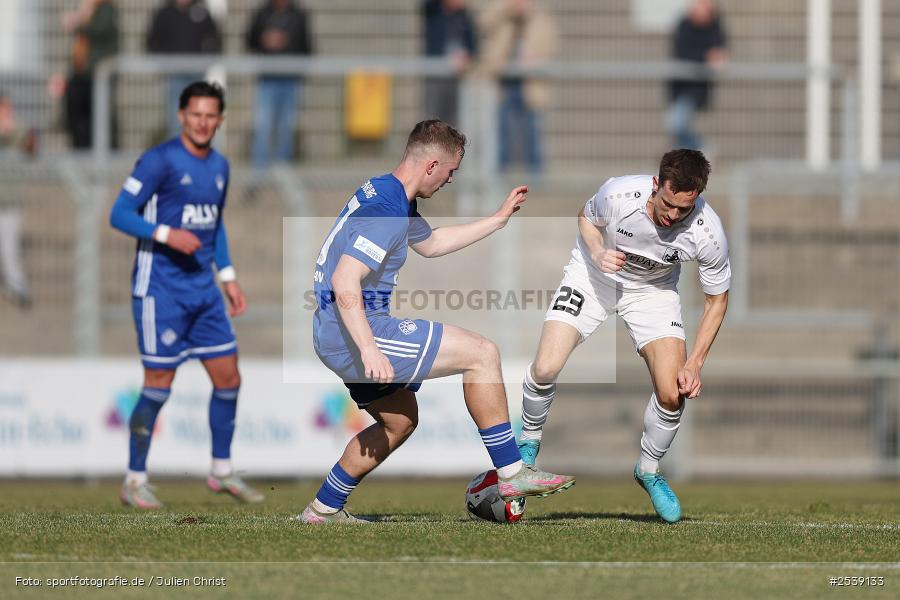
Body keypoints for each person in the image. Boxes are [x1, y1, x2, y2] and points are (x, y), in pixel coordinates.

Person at [298, 119, 575, 524]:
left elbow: (431, 244)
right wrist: (369, 348)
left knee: (399, 421)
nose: (450, 179)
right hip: (355, 330)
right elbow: (344, 280)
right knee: (481, 354)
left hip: (334, 330)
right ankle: (512, 472)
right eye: (450, 171)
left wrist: (496, 220)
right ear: (431, 165)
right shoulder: (388, 208)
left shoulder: (388, 192)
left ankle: (322, 510)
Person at [517, 149, 730, 523]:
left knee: (672, 392)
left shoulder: (708, 231)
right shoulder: (618, 194)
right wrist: (598, 251)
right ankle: (527, 449)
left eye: (683, 209)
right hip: (593, 277)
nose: (673, 216)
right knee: (546, 367)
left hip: (653, 293)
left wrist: (695, 363)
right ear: (656, 185)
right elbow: (586, 218)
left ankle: (648, 469)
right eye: (668, 204)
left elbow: (717, 300)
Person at [109, 81, 263, 509]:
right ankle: (134, 479)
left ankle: (221, 471)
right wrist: (166, 234)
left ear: (221, 120)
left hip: (204, 293)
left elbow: (214, 225)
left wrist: (227, 277)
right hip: (161, 292)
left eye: (211, 115)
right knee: (159, 382)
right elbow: (119, 214)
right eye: (196, 114)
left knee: (229, 378)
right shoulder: (159, 160)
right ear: (181, 116)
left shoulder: (220, 166)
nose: (202, 122)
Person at [479, 0, 558, 173]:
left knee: (533, 136)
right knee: (501, 135)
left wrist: (535, 59)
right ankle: (500, 177)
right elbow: (482, 23)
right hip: (503, 84)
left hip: (530, 85)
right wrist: (506, 8)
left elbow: (551, 46)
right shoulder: (503, 14)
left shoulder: (540, 17)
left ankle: (536, 179)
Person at [246, 0, 314, 168]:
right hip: (267, 79)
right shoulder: (262, 13)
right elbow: (250, 41)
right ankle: (259, 171)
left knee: (287, 127)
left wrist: (287, 43)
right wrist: (264, 40)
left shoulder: (298, 14)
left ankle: (283, 170)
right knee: (264, 125)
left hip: (290, 79)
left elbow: (307, 47)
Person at [146, 0, 222, 137]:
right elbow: (153, 42)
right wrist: (165, 63)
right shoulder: (165, 13)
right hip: (174, 75)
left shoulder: (201, 12)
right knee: (176, 120)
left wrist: (205, 59)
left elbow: (214, 40)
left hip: (197, 75)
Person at [666, 0, 728, 151]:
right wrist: (706, 57)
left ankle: (700, 148)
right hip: (680, 85)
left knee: (676, 123)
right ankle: (698, 148)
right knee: (676, 126)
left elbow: (719, 53)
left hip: (697, 88)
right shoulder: (684, 24)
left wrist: (716, 58)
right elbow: (683, 53)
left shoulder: (715, 27)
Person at [62, 0, 120, 149]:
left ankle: (102, 148)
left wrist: (77, 22)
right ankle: (80, 146)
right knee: (77, 112)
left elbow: (99, 29)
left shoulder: (106, 8)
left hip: (96, 74)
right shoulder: (87, 10)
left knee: (98, 113)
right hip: (83, 72)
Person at [0, 93, 37, 308]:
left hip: (9, 201)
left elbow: (31, 147)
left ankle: (17, 287)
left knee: (10, 248)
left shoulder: (16, 129)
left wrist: (12, 133)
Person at [421, 0, 477, 126]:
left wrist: (466, 56)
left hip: (457, 76)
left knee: (453, 121)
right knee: (433, 119)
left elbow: (472, 45)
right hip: (435, 75)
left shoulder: (463, 16)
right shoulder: (434, 11)